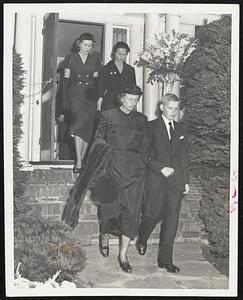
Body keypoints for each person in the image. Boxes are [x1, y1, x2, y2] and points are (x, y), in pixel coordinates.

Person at [93, 85, 147, 273]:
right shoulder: (107, 116)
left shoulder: (141, 119)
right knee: (109, 208)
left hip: (134, 170)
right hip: (111, 167)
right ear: (121, 98)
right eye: (130, 99)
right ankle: (104, 234)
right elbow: (98, 142)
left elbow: (144, 146)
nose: (133, 103)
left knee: (132, 212)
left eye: (136, 100)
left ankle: (123, 255)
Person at [136, 93, 190, 273]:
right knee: (152, 215)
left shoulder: (181, 129)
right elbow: (144, 154)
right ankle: (142, 237)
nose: (173, 112)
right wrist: (161, 168)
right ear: (162, 107)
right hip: (156, 179)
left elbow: (183, 157)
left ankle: (165, 260)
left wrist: (186, 181)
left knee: (171, 221)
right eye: (170, 108)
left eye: (176, 109)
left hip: (175, 182)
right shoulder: (150, 127)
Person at [62, 32, 102, 173]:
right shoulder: (70, 58)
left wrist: (97, 98)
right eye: (85, 45)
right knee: (79, 121)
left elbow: (96, 81)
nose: (87, 48)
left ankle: (83, 160)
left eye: (90, 45)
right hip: (75, 94)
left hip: (89, 97)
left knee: (87, 128)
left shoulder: (95, 59)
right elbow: (65, 80)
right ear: (79, 44)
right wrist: (64, 99)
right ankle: (78, 160)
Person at [97, 41, 136, 111]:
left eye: (124, 54)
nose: (122, 56)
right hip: (110, 103)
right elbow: (100, 89)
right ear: (114, 53)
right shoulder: (106, 68)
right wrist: (99, 108)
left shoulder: (130, 70)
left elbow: (133, 89)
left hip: (126, 103)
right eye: (119, 54)